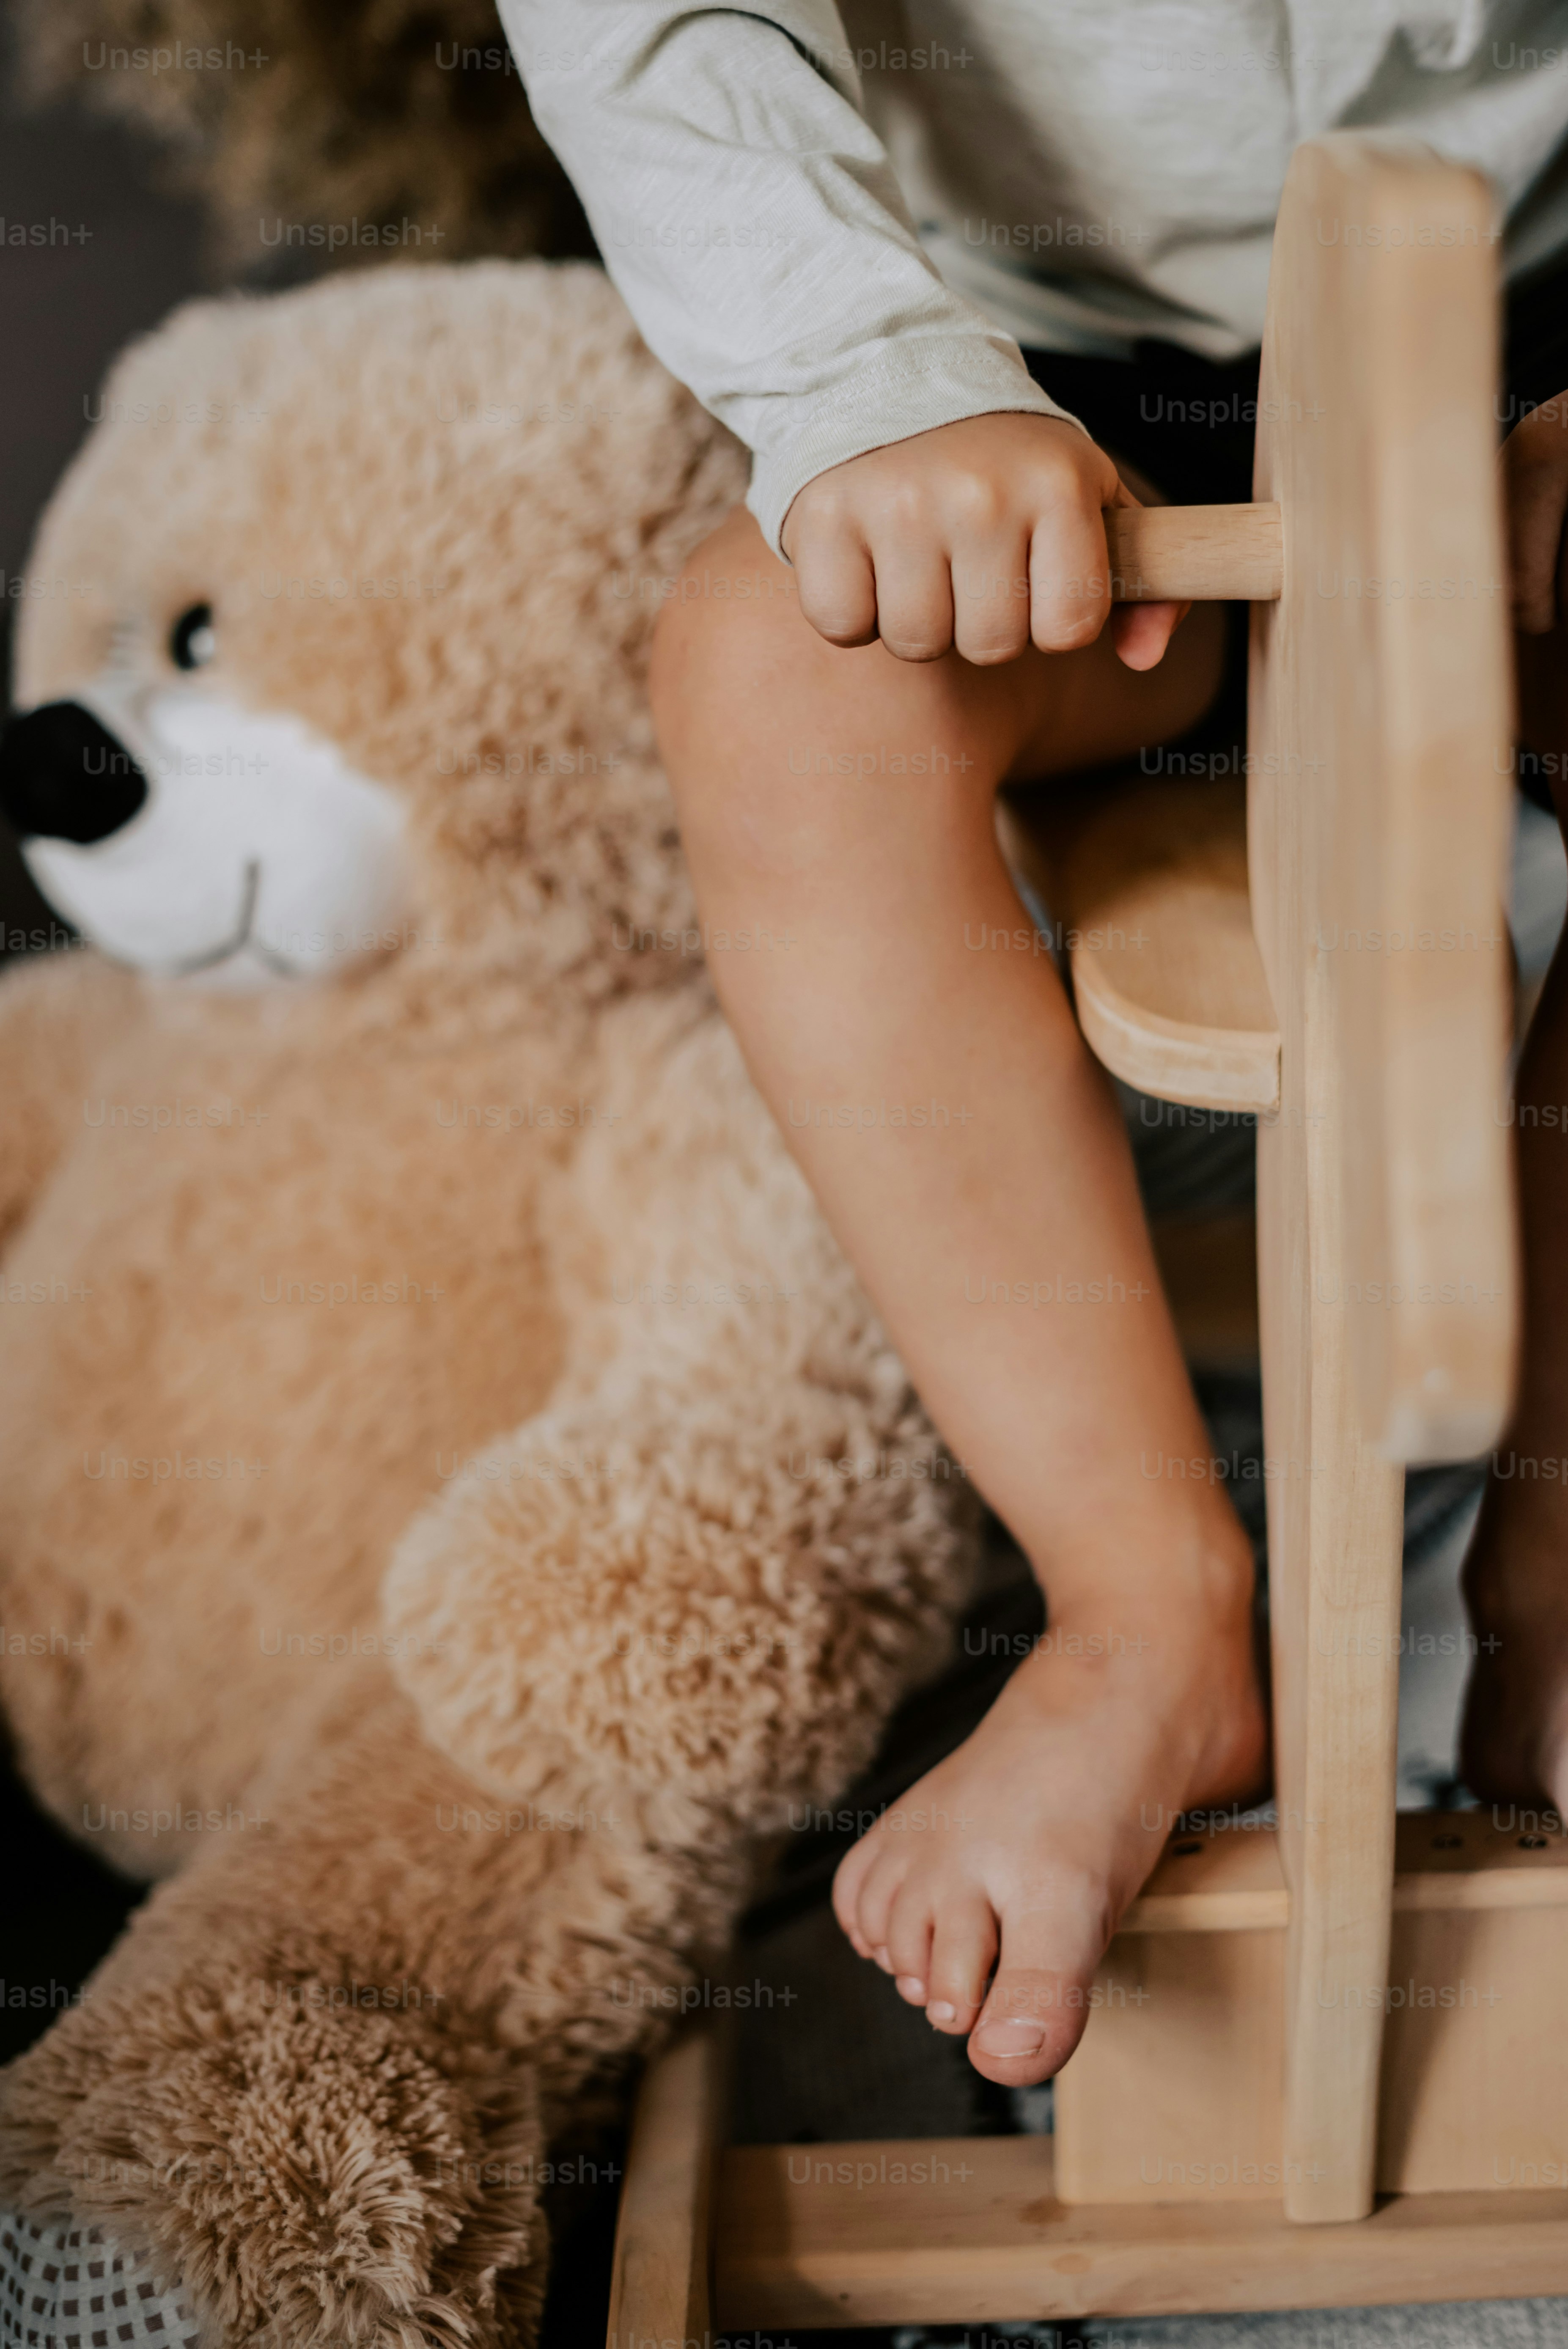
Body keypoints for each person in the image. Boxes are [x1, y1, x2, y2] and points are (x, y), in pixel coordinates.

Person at [498, 0, 1568, 2086]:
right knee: (782, 677)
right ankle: (1142, 1603)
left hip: (1526, 311)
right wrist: (864, 378)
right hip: (1026, 366)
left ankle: (1554, 1570)